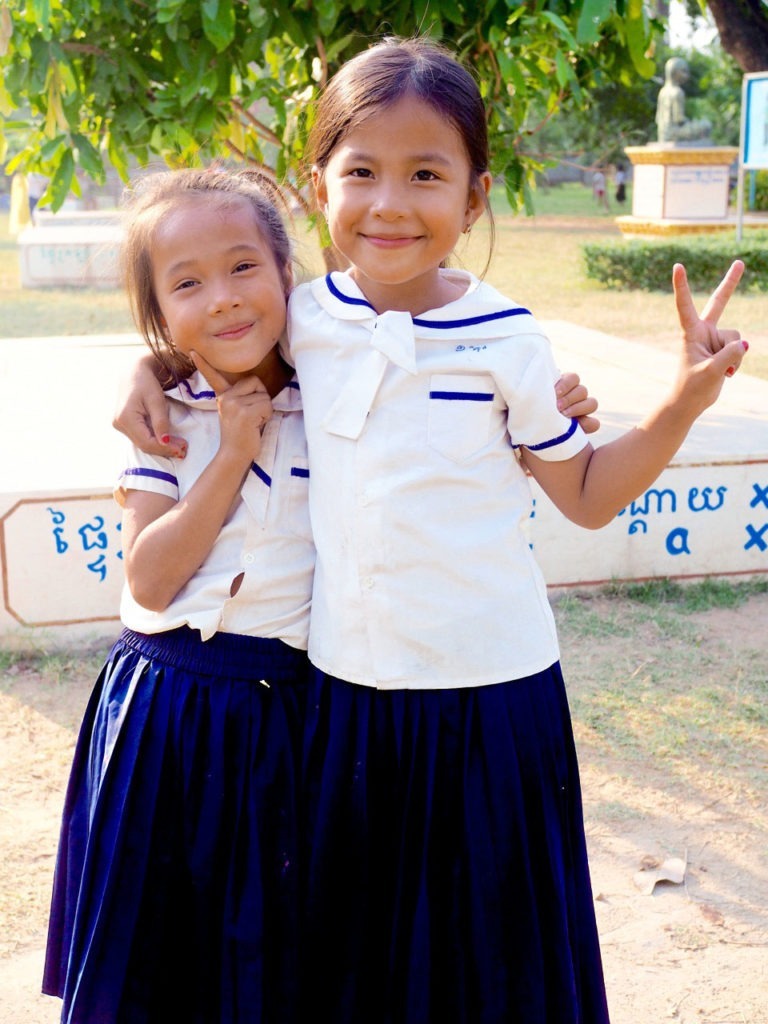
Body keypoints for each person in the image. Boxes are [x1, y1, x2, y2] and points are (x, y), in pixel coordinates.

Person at [112, 37, 748, 1024]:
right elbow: (210, 331)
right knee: (361, 967)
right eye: (359, 172)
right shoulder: (302, 320)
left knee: (493, 964)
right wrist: (148, 372)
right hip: (346, 700)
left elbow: (582, 492)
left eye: (426, 174)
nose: (390, 204)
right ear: (316, 186)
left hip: (489, 698)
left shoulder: (508, 339)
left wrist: (681, 403)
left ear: (476, 196)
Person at [43, 168, 316, 1023]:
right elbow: (152, 577)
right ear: (159, 315)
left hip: (289, 715)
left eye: (244, 268)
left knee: (268, 961)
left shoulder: (340, 399)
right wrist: (231, 450)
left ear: (286, 277)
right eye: (187, 283)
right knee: (153, 960)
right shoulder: (163, 421)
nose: (224, 300)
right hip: (165, 711)